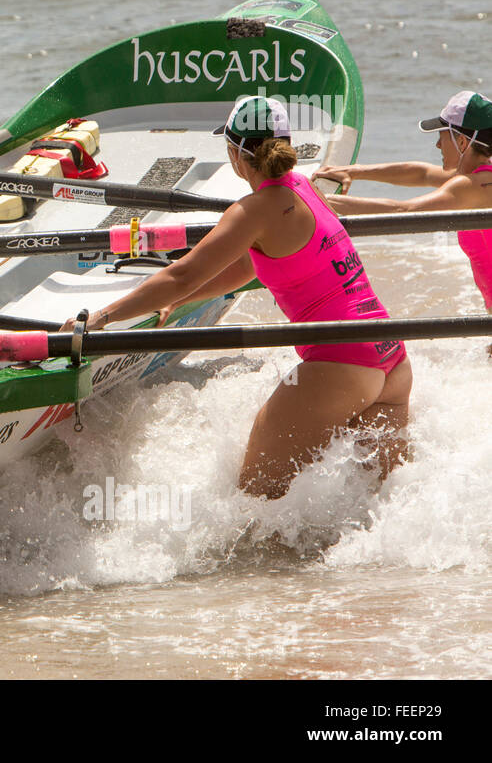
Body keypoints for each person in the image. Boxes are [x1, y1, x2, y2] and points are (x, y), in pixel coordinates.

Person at [63, 96, 411, 499]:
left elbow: (182, 273)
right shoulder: (305, 188)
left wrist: (101, 317)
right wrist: (177, 302)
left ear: (235, 153)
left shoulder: (251, 211)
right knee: (373, 510)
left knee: (255, 503)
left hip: (342, 364)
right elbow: (249, 267)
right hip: (391, 356)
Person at [314, 90, 492, 317]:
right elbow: (422, 173)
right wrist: (353, 171)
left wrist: (324, 202)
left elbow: (404, 210)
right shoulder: (479, 176)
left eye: (442, 135)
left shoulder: (475, 187)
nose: (438, 145)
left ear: (461, 141)